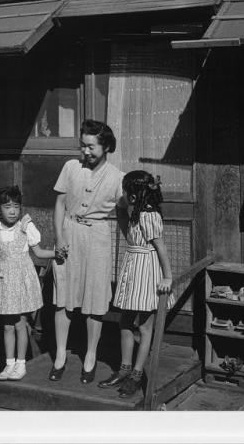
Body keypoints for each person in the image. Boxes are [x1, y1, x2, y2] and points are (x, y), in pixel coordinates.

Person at [50, 119, 127, 383]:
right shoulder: (71, 167)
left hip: (97, 237)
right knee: (64, 296)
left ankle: (90, 356)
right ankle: (60, 355)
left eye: (91, 147)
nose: (85, 152)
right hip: (69, 233)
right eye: (83, 146)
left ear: (105, 146)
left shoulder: (118, 177)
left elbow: (125, 212)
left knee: (95, 299)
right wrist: (59, 237)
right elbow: (59, 204)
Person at [97, 170, 175, 398]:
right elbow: (120, 209)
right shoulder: (134, 212)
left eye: (125, 190)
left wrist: (168, 277)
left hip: (148, 271)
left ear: (134, 195)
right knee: (125, 322)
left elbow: (160, 248)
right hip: (133, 267)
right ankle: (124, 369)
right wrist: (126, 200)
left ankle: (137, 374)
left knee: (144, 327)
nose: (122, 194)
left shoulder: (149, 216)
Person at [0, 185, 66, 381]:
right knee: (7, 326)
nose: (12, 211)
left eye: (16, 207)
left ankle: (21, 363)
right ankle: (9, 364)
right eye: (7, 207)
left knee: (20, 323)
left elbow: (39, 252)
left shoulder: (26, 226)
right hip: (2, 282)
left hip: (21, 281)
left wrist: (57, 253)